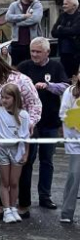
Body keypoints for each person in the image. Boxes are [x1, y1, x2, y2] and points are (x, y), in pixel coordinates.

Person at [0, 53, 42, 220]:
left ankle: (22, 205)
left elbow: (35, 104)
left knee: (23, 171)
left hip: (21, 134)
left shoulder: (22, 80)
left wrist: (28, 124)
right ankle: (0, 205)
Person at [17, 36, 69, 211]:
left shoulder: (56, 66)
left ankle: (45, 196)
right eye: (32, 51)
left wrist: (49, 86)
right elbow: (13, 86)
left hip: (49, 121)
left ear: (47, 52)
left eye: (38, 52)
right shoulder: (24, 67)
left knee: (47, 160)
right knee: (27, 160)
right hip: (30, 123)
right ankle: (24, 198)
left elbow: (65, 87)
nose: (35, 54)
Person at [0, 83, 30, 224]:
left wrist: (25, 154)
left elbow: (26, 137)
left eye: (7, 97)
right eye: (2, 97)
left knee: (14, 182)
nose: (4, 100)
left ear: (15, 98)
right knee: (4, 182)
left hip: (17, 149)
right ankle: (6, 210)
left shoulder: (23, 115)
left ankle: (13, 207)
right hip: (1, 149)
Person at [59, 79, 80, 223]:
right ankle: (67, 213)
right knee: (74, 176)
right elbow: (63, 114)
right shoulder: (70, 91)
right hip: (76, 143)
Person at [6, 0, 43, 66]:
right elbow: (8, 17)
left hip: (32, 43)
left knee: (32, 67)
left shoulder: (37, 5)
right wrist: (24, 16)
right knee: (17, 67)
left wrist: (18, 23)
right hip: (17, 43)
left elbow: (35, 19)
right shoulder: (14, 5)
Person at [52, 0, 80, 78]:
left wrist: (61, 28)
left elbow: (75, 31)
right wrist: (67, 31)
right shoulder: (62, 16)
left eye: (66, 4)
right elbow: (54, 32)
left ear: (74, 6)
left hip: (76, 53)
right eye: (63, 4)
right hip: (63, 53)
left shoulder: (78, 17)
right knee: (65, 76)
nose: (63, 6)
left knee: (75, 76)